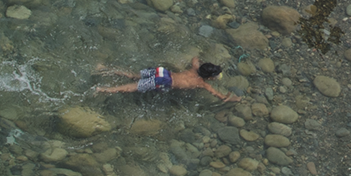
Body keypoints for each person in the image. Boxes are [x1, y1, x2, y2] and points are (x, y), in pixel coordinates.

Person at [91, 57, 241, 102]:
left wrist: (201, 57)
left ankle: (103, 68)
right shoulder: (201, 84)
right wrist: (232, 98)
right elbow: (218, 95)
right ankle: (102, 89)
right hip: (164, 82)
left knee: (133, 75)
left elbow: (195, 58)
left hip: (163, 72)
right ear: (209, 78)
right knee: (133, 87)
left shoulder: (195, 67)